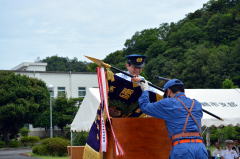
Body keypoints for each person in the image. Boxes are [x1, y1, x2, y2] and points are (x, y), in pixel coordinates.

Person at [138, 79, 208, 159]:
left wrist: (145, 90)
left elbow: (145, 107)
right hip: (200, 147)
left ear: (168, 91)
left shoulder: (168, 103)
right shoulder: (197, 104)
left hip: (182, 148)